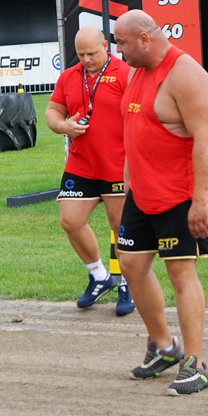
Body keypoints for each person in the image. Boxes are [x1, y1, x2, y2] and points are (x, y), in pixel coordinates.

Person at [113, 10, 208, 395]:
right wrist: (128, 179)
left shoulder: (187, 75)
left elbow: (207, 141)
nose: (117, 49)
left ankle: (195, 363)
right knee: (131, 266)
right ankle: (164, 346)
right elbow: (134, 130)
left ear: (144, 38)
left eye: (121, 42)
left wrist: (200, 202)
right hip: (141, 193)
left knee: (181, 275)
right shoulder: (138, 73)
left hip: (180, 196)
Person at [45, 26, 135, 316]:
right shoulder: (69, 77)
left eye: (92, 53)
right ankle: (99, 276)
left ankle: (129, 283)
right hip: (81, 162)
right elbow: (52, 112)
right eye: (81, 54)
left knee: (121, 227)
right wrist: (63, 126)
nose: (86, 60)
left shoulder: (124, 73)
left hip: (117, 165)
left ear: (106, 46)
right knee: (70, 221)